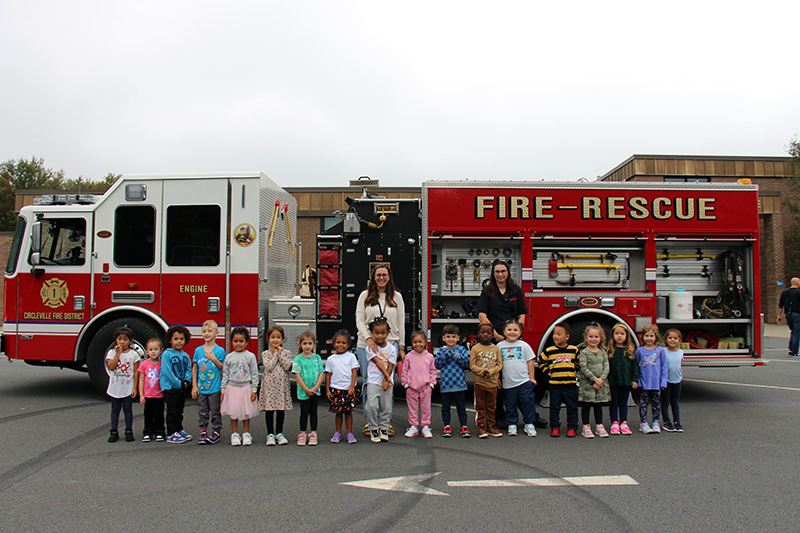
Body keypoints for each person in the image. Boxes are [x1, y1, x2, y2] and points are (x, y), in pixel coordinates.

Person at [356, 263, 405, 436]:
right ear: (373, 277)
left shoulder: (397, 297)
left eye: (384, 275)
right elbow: (359, 320)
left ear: (389, 277)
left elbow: (400, 323)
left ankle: (386, 421)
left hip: (389, 344)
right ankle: (370, 422)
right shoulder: (365, 295)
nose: (381, 278)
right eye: (378, 275)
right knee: (370, 383)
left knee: (387, 384)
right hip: (366, 345)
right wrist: (368, 338)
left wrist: (401, 347)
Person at [538, 322, 580, 438]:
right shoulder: (549, 351)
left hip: (570, 385)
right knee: (554, 408)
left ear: (567, 337)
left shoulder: (574, 350)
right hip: (555, 385)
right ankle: (555, 427)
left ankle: (572, 427)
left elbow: (579, 363)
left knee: (572, 408)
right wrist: (547, 371)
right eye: (554, 334)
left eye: (559, 334)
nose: (555, 336)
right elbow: (540, 361)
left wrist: (575, 369)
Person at [498, 319, 538, 437]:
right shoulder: (499, 346)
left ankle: (529, 424)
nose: (512, 332)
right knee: (510, 404)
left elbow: (530, 362)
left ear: (520, 332)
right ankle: (512, 424)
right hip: (508, 383)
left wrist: (532, 378)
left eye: (515, 330)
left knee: (527, 403)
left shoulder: (524, 346)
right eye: (509, 329)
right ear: (504, 332)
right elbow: (497, 365)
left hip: (524, 381)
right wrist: (497, 378)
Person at [220, 327, 259, 446]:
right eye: (235, 341)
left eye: (241, 341)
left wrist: (254, 389)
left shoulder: (250, 356)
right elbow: (225, 374)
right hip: (232, 388)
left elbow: (254, 373)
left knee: (246, 412)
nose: (238, 344)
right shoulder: (229, 357)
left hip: (246, 388)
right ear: (231, 341)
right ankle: (235, 434)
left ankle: (246, 433)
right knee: (234, 412)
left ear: (246, 342)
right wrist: (223, 390)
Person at [191, 319, 226, 445]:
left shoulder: (220, 351)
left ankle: (216, 431)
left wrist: (214, 359)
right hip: (201, 388)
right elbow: (195, 367)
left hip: (215, 387)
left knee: (215, 411)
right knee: (202, 410)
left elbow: (223, 367)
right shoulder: (198, 350)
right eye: (204, 331)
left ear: (216, 333)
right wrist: (194, 385)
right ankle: (203, 430)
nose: (206, 333)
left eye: (209, 331)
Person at [259, 325, 294, 446]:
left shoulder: (287, 353)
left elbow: (286, 366)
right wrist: (275, 355)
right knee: (269, 409)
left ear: (283, 339)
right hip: (269, 385)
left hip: (281, 385)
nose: (275, 340)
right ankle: (270, 434)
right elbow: (268, 367)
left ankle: (279, 433)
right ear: (268, 339)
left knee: (280, 409)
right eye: (272, 337)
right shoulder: (265, 354)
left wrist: (280, 354)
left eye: (278, 337)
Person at [435, 324, 471, 438]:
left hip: (459, 385)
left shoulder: (461, 349)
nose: (451, 339)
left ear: (458, 338)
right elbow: (437, 364)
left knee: (461, 407)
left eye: (453, 337)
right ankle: (446, 425)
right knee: (445, 408)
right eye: (448, 337)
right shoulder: (441, 350)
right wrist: (445, 356)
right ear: (444, 338)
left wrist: (458, 357)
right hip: (446, 385)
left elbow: (467, 365)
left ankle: (464, 425)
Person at [364, 317, 397, 443]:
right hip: (373, 381)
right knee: (371, 406)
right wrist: (386, 378)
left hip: (386, 382)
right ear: (372, 333)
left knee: (386, 406)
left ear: (388, 333)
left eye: (383, 333)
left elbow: (390, 365)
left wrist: (386, 380)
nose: (380, 336)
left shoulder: (392, 349)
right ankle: (373, 428)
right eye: (377, 333)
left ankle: (383, 428)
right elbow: (378, 362)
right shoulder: (370, 348)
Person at [325, 330, 360, 444]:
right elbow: (328, 375)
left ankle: (349, 433)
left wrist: (352, 387)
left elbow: (354, 372)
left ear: (348, 345)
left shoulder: (351, 357)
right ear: (334, 343)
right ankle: (338, 432)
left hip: (348, 389)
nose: (341, 345)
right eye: (338, 342)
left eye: (344, 343)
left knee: (348, 412)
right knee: (338, 412)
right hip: (336, 389)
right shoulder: (331, 359)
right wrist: (327, 390)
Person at [469, 323, 503, 438]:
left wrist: (492, 372)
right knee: (480, 406)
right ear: (478, 334)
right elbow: (472, 365)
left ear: (493, 335)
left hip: (492, 383)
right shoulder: (475, 349)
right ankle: (481, 427)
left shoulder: (496, 348)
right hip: (480, 383)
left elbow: (499, 365)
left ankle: (491, 426)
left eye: (488, 333)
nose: (485, 335)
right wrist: (481, 371)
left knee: (491, 406)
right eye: (483, 332)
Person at [401, 330, 437, 438]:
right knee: (412, 408)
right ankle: (413, 426)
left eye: (420, 342)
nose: (418, 344)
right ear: (412, 343)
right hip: (412, 388)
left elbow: (433, 371)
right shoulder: (409, 357)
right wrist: (406, 384)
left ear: (425, 342)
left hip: (426, 388)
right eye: (415, 342)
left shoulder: (429, 356)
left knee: (426, 408)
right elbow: (404, 371)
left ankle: (426, 426)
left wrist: (431, 384)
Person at [160, 325, 193, 444]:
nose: (179, 342)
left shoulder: (185, 355)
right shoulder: (166, 354)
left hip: (181, 388)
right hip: (170, 388)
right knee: (172, 411)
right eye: (176, 339)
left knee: (179, 410)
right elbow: (166, 370)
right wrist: (177, 383)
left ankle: (179, 429)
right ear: (170, 340)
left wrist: (187, 381)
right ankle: (171, 432)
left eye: (181, 339)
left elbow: (189, 368)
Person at [106, 326, 139, 443]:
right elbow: (111, 366)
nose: (122, 342)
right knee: (115, 410)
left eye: (125, 339)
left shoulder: (134, 355)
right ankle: (114, 431)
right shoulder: (111, 353)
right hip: (115, 387)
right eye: (119, 339)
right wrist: (117, 354)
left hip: (128, 387)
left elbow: (136, 372)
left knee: (128, 410)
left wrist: (135, 388)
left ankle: (128, 430)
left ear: (130, 341)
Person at [293, 329, 325, 446]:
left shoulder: (317, 358)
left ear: (314, 344)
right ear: (300, 344)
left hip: (315, 391)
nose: (307, 346)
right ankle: (302, 433)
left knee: (313, 412)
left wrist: (316, 387)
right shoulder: (298, 359)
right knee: (304, 412)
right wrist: (306, 389)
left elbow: (321, 373)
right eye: (305, 343)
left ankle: (313, 433)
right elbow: (297, 375)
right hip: (303, 391)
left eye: (310, 343)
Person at [578, 324, 610, 439]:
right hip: (588, 385)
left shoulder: (602, 352)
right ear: (586, 338)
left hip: (600, 384)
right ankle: (586, 427)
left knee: (598, 406)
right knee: (586, 405)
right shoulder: (584, 353)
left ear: (600, 338)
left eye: (596, 337)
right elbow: (583, 368)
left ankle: (599, 425)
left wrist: (601, 379)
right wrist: (594, 379)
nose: (593, 339)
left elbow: (606, 366)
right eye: (591, 336)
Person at [606, 323, 638, 436]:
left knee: (623, 403)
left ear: (627, 336)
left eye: (622, 334)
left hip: (625, 381)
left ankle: (623, 422)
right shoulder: (610, 350)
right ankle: (614, 422)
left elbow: (635, 366)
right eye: (617, 333)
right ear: (613, 335)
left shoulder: (630, 350)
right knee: (613, 402)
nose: (619, 336)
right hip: (613, 381)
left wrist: (635, 380)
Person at [636, 324, 668, 434]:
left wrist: (663, 381)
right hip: (644, 383)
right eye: (646, 336)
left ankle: (655, 422)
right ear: (643, 337)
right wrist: (638, 381)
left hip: (656, 383)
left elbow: (664, 367)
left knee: (656, 404)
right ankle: (643, 423)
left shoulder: (660, 350)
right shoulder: (640, 351)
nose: (649, 338)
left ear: (656, 337)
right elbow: (636, 367)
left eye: (651, 336)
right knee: (643, 404)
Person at [137, 337, 165, 442]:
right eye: (151, 350)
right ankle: (147, 432)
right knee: (148, 415)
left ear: (161, 350)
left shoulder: (162, 363)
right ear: (147, 351)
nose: (153, 352)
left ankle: (160, 432)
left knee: (159, 415)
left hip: (159, 395)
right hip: (148, 395)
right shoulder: (144, 364)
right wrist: (141, 395)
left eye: (156, 349)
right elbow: (141, 380)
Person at [661, 328, 685, 432]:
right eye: (670, 338)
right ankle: (666, 422)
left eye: (675, 338)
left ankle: (677, 422)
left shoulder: (681, 352)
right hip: (666, 381)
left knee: (675, 403)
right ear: (666, 340)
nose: (672, 340)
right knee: (665, 402)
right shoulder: (663, 351)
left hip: (677, 381)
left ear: (679, 340)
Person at [778, 277, 800, 357]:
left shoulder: (785, 292)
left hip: (788, 314)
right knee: (796, 332)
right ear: (797, 283)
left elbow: (781, 304)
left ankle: (791, 347)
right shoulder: (798, 292)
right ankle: (794, 351)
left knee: (793, 331)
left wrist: (779, 315)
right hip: (797, 314)